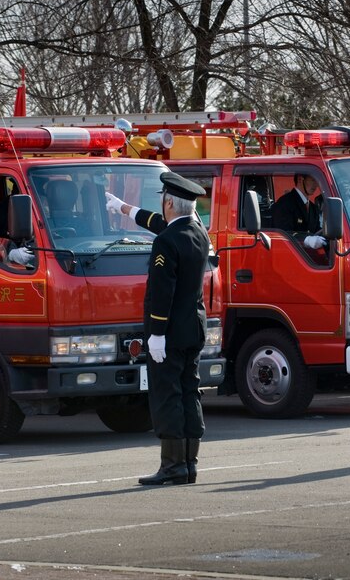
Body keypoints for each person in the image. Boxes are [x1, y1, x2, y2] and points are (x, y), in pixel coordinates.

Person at [106, 173, 210, 484]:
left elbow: (162, 292)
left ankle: (172, 465)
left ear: (168, 203)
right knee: (190, 392)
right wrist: (126, 208)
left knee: (167, 395)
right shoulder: (198, 232)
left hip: (170, 333)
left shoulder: (167, 242)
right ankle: (189, 464)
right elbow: (159, 222)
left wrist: (156, 335)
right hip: (194, 327)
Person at [271, 173, 326, 250]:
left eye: (316, 181)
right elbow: (283, 232)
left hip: (310, 258)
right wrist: (305, 240)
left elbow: (317, 230)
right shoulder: (285, 203)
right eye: (313, 180)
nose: (316, 185)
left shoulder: (313, 208)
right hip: (291, 254)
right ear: (300, 179)